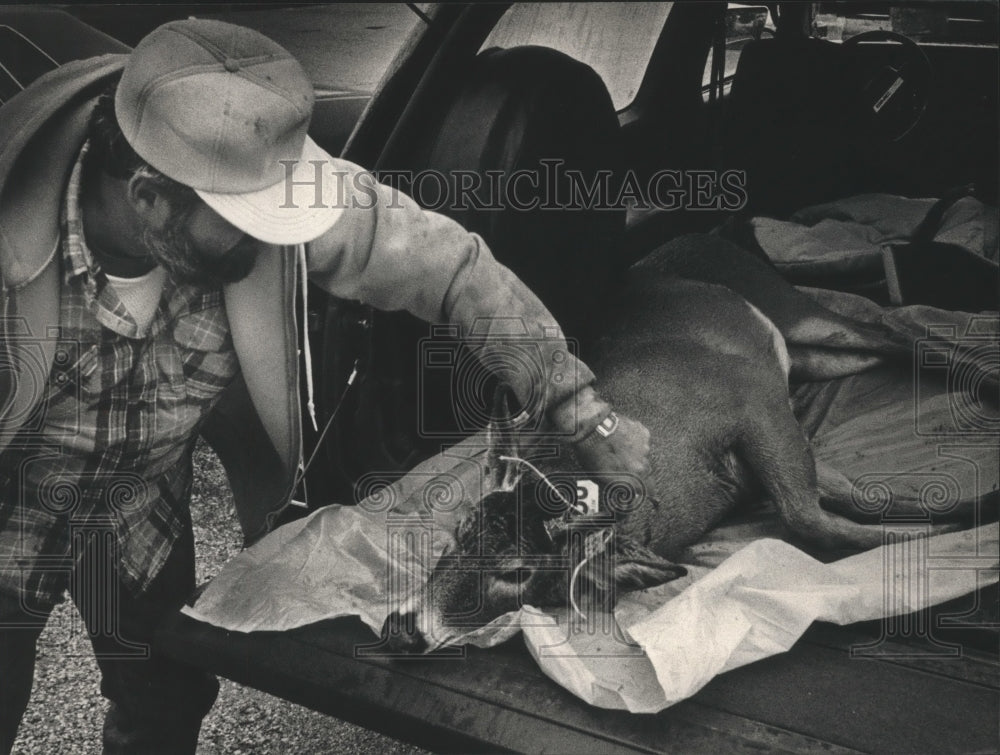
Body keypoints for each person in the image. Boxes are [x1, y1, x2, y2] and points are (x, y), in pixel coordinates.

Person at [0, 18, 652, 754]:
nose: (277, 241)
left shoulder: (251, 193)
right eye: (249, 223)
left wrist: (581, 410)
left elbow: (455, 272)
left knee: (166, 696)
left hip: (140, 514)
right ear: (149, 197)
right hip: (11, 512)